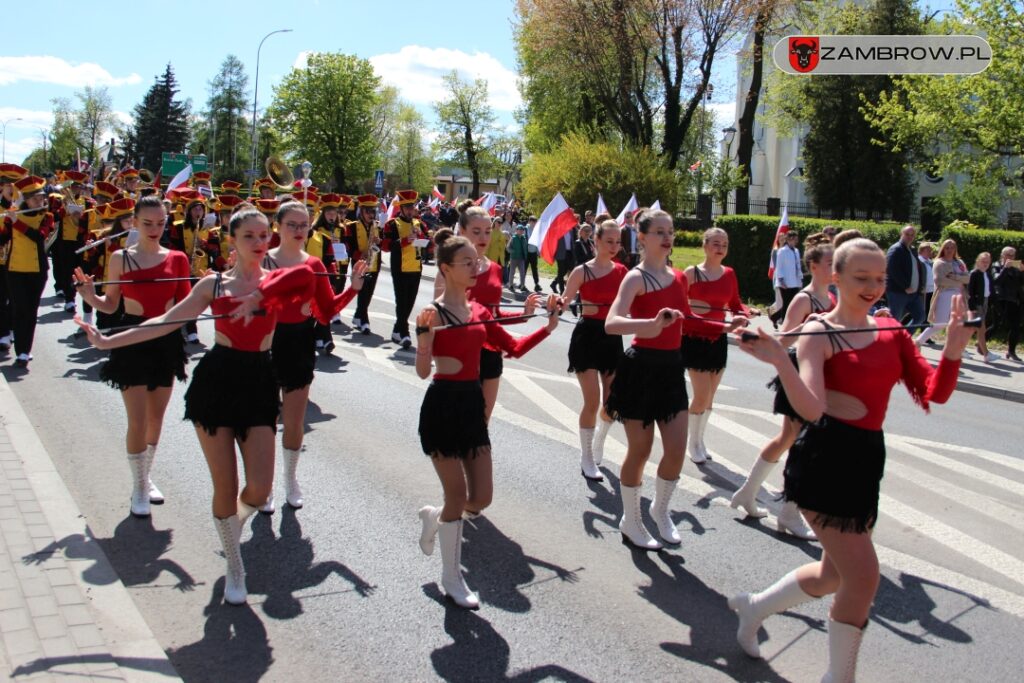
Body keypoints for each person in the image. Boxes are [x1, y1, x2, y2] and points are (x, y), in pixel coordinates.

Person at [731, 238, 969, 682]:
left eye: (880, 278)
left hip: (865, 459)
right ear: (834, 278)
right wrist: (782, 360)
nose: (874, 287)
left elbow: (935, 391)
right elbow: (812, 409)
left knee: (831, 575)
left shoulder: (891, 330)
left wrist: (952, 348)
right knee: (863, 579)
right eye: (862, 278)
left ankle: (754, 607)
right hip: (825, 460)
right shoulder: (819, 332)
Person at [74, 208, 318, 606]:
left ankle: (231, 525)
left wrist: (259, 294)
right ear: (232, 241)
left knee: (258, 489)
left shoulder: (278, 280)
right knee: (225, 485)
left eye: (263, 236)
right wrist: (106, 343)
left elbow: (307, 276)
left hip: (259, 382)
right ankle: (234, 565)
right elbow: (164, 323)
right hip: (217, 382)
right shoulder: (213, 285)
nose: (259, 243)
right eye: (249, 237)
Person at [413, 228, 560, 609]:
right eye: (467, 262)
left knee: (481, 498)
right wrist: (424, 339)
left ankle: (436, 516)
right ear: (445, 269)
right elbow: (422, 372)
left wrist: (546, 326)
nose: (476, 266)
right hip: (442, 406)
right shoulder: (433, 314)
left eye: (476, 261)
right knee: (458, 494)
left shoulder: (478, 312)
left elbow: (512, 348)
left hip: (471, 408)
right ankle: (451, 577)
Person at [604, 209, 736, 550]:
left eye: (671, 231)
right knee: (641, 449)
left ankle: (660, 511)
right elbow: (612, 322)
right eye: (660, 231)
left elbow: (687, 318)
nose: (667, 237)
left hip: (670, 369)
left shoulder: (678, 277)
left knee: (676, 449)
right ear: (643, 236)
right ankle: (631, 520)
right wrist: (649, 325)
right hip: (640, 369)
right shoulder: (635, 278)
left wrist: (725, 327)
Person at [73, 196, 190, 518]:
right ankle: (138, 486)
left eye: (161, 223)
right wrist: (89, 297)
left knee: (156, 419)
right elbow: (111, 306)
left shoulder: (178, 259)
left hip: (166, 341)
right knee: (137, 420)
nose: (155, 229)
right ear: (134, 222)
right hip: (132, 340)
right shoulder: (120, 258)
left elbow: (186, 305)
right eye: (147, 223)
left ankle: (145, 475)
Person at [258, 201, 366, 514]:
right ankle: (262, 486)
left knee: (294, 421)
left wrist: (353, 289)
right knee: (265, 422)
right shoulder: (263, 261)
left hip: (299, 342)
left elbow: (327, 310)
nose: (298, 230)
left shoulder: (315, 266)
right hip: (265, 343)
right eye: (291, 224)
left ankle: (290, 479)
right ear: (277, 226)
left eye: (303, 224)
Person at [730, 233, 835, 540]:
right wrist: (810, 324)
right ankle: (789, 512)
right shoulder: (804, 299)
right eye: (830, 263)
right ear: (813, 266)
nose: (835, 268)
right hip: (797, 374)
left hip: (817, 375)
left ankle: (748, 493)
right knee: (801, 443)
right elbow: (785, 339)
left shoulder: (832, 299)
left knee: (788, 439)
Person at [436, 202, 543, 422]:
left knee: (482, 424)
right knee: (459, 422)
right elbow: (440, 317)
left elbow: (492, 317)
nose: (483, 237)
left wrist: (525, 313)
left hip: (491, 351)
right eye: (476, 232)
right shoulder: (449, 268)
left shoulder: (495, 268)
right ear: (462, 232)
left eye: (487, 231)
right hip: (462, 352)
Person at [682, 228, 754, 465]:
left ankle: (700, 440)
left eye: (724, 243)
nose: (720, 247)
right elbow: (682, 309)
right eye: (715, 243)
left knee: (710, 397)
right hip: (695, 338)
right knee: (701, 395)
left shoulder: (729, 274)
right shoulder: (691, 274)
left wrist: (744, 313)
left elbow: (734, 303)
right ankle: (691, 443)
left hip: (719, 339)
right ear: (705, 246)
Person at [560, 219, 626, 480]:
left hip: (611, 337)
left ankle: (599, 440)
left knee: (611, 402)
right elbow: (565, 301)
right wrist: (557, 303)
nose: (614, 246)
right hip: (587, 336)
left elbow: (637, 300)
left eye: (618, 241)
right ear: (596, 241)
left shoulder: (622, 272)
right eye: (609, 241)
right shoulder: (581, 271)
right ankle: (587, 456)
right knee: (592, 401)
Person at [0, 175, 54, 367]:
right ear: (26, 199)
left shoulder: (47, 217)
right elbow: (3, 239)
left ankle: (24, 351)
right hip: (14, 269)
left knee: (31, 311)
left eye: (41, 198)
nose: (40, 201)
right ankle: (19, 348)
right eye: (35, 198)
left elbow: (39, 237)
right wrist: (8, 223)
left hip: (37, 269)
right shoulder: (12, 215)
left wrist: (16, 222)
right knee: (19, 309)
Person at [380, 190, 424, 349]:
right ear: (402, 208)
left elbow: (428, 245)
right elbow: (385, 246)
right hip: (400, 267)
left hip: (416, 267)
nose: (411, 210)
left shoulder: (419, 223)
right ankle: (403, 332)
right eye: (408, 208)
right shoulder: (392, 224)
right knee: (402, 301)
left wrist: (427, 241)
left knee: (410, 302)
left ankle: (397, 331)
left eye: (413, 207)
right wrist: (405, 240)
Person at [50, 170, 93, 313]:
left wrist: (80, 216)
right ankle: (70, 299)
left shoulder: (87, 202)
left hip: (81, 241)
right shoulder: (59, 200)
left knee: (80, 270)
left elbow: (90, 221)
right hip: (65, 240)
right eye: (73, 186)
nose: (75, 188)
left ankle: (79, 296)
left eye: (78, 186)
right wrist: (65, 211)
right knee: (67, 269)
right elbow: (53, 218)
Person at [914, 239, 969, 348]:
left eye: (952, 247)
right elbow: (939, 280)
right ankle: (918, 342)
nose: (949, 250)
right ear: (943, 249)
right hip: (944, 294)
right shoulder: (939, 262)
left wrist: (956, 277)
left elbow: (967, 278)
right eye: (947, 247)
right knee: (940, 324)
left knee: (959, 322)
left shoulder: (959, 263)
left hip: (959, 295)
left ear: (955, 249)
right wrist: (959, 282)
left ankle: (957, 347)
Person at [0, 163, 30, 352]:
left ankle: (11, 329)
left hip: (20, 259)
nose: (11, 188)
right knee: (1, 297)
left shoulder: (25, 209)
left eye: (15, 184)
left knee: (16, 298)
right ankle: (3, 332)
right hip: (1, 258)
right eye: (7, 184)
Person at [345, 194, 382, 335]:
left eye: (373, 211)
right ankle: (364, 320)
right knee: (362, 292)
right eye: (368, 211)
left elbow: (383, 244)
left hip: (374, 263)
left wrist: (379, 241)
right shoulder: (352, 226)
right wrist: (359, 255)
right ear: (361, 212)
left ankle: (358, 317)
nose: (371, 215)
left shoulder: (377, 226)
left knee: (369, 292)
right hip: (359, 263)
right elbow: (348, 245)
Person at [884, 225, 926, 325]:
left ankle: (904, 337)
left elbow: (917, 270)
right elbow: (892, 270)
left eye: (912, 235)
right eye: (907, 234)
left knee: (920, 316)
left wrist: (919, 287)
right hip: (898, 292)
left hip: (913, 294)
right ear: (901, 234)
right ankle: (891, 339)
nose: (909, 237)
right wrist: (905, 286)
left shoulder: (912, 250)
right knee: (894, 320)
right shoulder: (896, 249)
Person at [991, 247, 1022, 362]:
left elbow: (1020, 283)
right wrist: (1004, 268)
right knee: (996, 325)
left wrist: (1022, 272)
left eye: (1012, 255)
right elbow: (996, 281)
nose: (1010, 257)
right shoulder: (996, 265)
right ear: (1002, 255)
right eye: (1007, 255)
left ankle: (1011, 351)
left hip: (1013, 300)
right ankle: (981, 342)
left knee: (1015, 326)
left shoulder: (1016, 268)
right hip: (1001, 299)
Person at [967, 252, 998, 363]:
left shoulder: (987, 274)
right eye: (983, 261)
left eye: (987, 262)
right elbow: (970, 292)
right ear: (978, 261)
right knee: (981, 328)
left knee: (976, 328)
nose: (985, 264)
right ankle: (986, 354)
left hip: (984, 302)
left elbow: (989, 290)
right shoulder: (974, 273)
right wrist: (972, 307)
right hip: (977, 303)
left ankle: (961, 348)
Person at [769, 232, 803, 327]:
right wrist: (781, 281)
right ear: (788, 239)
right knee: (787, 304)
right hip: (785, 283)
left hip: (794, 282)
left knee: (792, 304)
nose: (796, 241)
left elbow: (798, 266)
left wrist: (800, 280)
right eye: (794, 239)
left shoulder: (796, 251)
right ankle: (784, 324)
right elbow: (779, 267)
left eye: (796, 239)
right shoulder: (782, 251)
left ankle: (775, 317)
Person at [551, 216, 578, 294]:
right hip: (561, 253)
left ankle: (554, 283)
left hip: (570, 253)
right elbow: (554, 242)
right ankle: (562, 290)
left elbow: (573, 241)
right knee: (561, 271)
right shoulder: (558, 230)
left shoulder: (572, 230)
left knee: (569, 270)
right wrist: (554, 253)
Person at [506, 224, 529, 292]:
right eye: (520, 229)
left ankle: (522, 286)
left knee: (522, 272)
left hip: (521, 258)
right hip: (514, 258)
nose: (521, 231)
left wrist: (526, 255)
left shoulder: (524, 238)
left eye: (522, 230)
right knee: (512, 272)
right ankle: (511, 285)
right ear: (516, 230)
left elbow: (525, 247)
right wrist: (513, 251)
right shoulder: (513, 238)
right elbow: (508, 247)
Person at [918, 242, 937, 323]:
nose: (930, 252)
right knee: (920, 311)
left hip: (931, 289)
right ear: (921, 251)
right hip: (922, 290)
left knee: (928, 311)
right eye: (927, 250)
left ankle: (924, 330)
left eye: (930, 250)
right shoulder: (918, 261)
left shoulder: (930, 262)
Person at [524, 216, 542, 292]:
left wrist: (538, 252)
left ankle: (536, 284)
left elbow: (537, 242)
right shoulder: (525, 229)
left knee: (534, 269)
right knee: (524, 268)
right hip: (526, 252)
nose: (535, 223)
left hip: (533, 252)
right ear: (530, 221)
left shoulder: (536, 230)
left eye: (535, 222)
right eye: (533, 222)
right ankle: (522, 284)